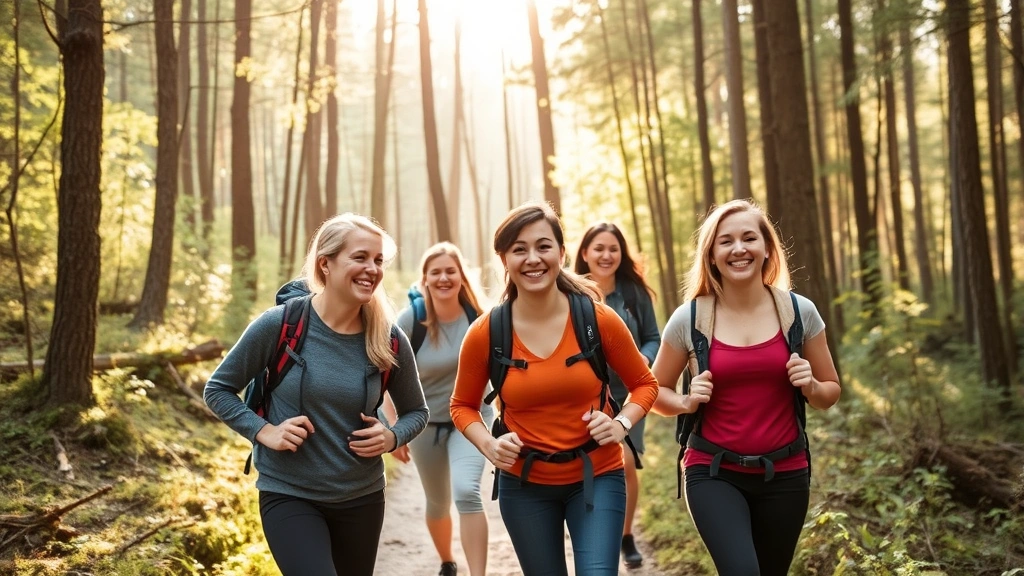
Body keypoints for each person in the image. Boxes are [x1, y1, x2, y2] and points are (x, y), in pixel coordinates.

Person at [204, 213, 429, 576]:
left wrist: (391, 437)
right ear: (325, 263)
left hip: (362, 497)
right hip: (289, 493)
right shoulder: (280, 325)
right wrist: (265, 431)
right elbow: (218, 389)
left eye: (377, 260)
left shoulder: (387, 338)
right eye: (360, 257)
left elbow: (417, 411)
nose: (371, 268)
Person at [450, 201, 660, 576]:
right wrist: (489, 444)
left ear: (561, 253)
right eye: (520, 249)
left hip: (597, 476)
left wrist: (622, 424)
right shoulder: (486, 333)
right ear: (504, 260)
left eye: (543, 246)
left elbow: (645, 383)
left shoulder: (597, 319)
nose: (533, 258)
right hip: (524, 484)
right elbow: (462, 405)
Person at [649, 199, 841, 576]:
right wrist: (687, 401)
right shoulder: (690, 318)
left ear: (767, 248)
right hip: (713, 471)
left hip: (786, 473)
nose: (739, 249)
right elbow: (655, 391)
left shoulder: (800, 313)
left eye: (749, 238)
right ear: (712, 255)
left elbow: (830, 391)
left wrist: (811, 386)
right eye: (726, 241)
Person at [390, 242, 492, 576]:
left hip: (472, 421)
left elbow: (504, 373)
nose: (444, 278)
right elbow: (385, 376)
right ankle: (447, 561)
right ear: (425, 279)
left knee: (466, 492)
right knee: (437, 501)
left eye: (451, 270)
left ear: (462, 276)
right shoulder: (411, 321)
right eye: (436, 272)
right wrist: (395, 430)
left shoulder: (480, 318)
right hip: (424, 425)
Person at [573, 221, 660, 569]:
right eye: (599, 248)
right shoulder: (572, 292)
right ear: (585, 254)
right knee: (592, 464)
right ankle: (594, 530)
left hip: (629, 394)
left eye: (613, 249)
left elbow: (653, 336)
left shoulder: (634, 292)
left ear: (621, 254)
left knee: (624, 463)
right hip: (586, 394)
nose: (606, 255)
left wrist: (646, 357)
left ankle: (625, 535)